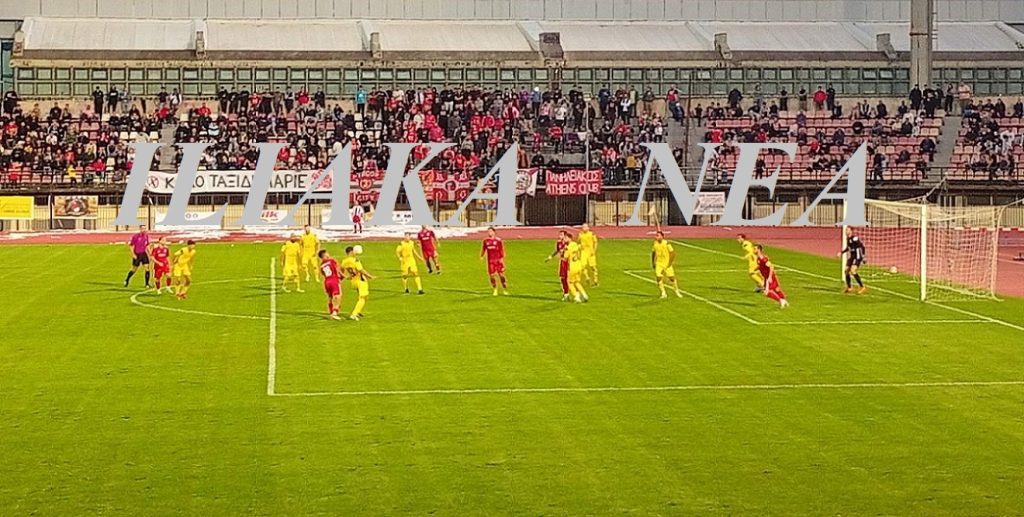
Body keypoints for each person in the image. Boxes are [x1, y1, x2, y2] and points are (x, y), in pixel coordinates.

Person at [340, 246, 373, 320]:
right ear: (351, 252)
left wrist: (346, 276)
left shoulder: (344, 261)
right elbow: (361, 270)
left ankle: (358, 311)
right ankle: (354, 314)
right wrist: (370, 276)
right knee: (363, 298)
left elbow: (341, 270)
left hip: (353, 281)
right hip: (360, 281)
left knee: (364, 297)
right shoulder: (355, 260)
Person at [651, 231, 682, 299]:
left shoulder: (667, 243)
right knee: (658, 277)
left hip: (667, 263)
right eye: (656, 235)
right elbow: (653, 252)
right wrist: (653, 262)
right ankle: (663, 292)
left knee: (671, 278)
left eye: (658, 235)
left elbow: (673, 253)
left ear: (662, 236)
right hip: (659, 263)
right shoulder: (655, 243)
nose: (656, 237)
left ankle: (676, 290)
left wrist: (670, 263)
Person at [480, 226, 508, 296]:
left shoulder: (498, 240)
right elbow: (484, 249)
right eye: (488, 231)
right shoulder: (486, 241)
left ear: (494, 232)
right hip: (490, 261)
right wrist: (482, 255)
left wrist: (502, 258)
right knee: (492, 276)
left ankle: (504, 288)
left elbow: (501, 249)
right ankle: (495, 289)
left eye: (490, 231)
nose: (489, 233)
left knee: (501, 275)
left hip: (498, 260)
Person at [838, 227, 867, 294]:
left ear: (851, 231)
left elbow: (862, 247)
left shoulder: (855, 238)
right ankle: (849, 287)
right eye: (845, 230)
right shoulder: (848, 239)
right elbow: (848, 248)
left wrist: (863, 257)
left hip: (857, 257)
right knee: (846, 271)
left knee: (853, 271)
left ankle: (862, 287)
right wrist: (841, 253)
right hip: (852, 257)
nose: (846, 231)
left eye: (847, 230)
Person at [546, 231, 572, 301]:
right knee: (562, 278)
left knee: (568, 279)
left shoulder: (569, 243)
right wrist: (550, 257)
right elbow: (557, 251)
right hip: (562, 262)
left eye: (561, 235)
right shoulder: (558, 243)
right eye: (559, 234)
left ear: (565, 236)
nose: (559, 236)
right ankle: (566, 294)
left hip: (569, 262)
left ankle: (574, 294)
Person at [564, 233, 589, 303]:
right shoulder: (575, 245)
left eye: (565, 238)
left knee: (569, 282)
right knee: (577, 282)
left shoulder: (568, 247)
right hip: (579, 265)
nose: (564, 240)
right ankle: (584, 295)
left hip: (572, 267)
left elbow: (565, 258)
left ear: (569, 238)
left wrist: (563, 251)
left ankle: (576, 296)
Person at [318, 249, 342, 320]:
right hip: (333, 280)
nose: (328, 255)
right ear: (324, 255)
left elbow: (323, 274)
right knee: (338, 296)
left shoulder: (321, 265)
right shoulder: (332, 261)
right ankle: (335, 312)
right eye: (327, 254)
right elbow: (337, 270)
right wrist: (343, 276)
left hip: (326, 281)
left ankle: (331, 312)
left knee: (330, 297)